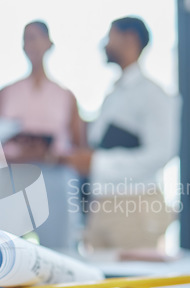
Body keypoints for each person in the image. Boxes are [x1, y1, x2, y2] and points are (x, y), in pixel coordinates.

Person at [64, 17, 179, 255]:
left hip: (134, 206)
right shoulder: (114, 94)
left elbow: (160, 154)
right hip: (104, 204)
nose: (105, 44)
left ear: (130, 39)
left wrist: (96, 163)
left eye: (111, 36)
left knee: (132, 286)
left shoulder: (152, 94)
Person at [0, 21, 84, 250]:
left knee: (59, 248)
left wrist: (51, 154)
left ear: (49, 43)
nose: (31, 43)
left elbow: (79, 146)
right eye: (27, 38)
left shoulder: (65, 96)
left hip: (53, 178)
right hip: (13, 177)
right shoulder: (6, 93)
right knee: (6, 249)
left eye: (36, 37)